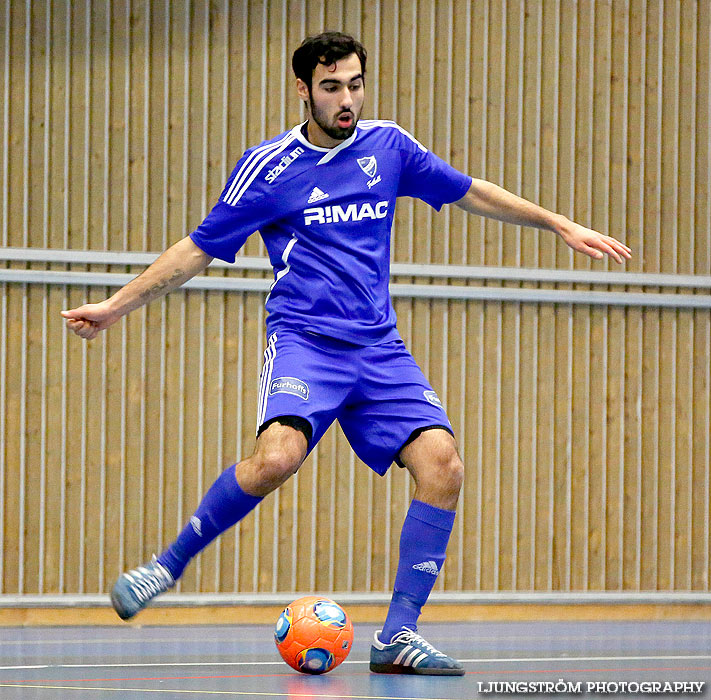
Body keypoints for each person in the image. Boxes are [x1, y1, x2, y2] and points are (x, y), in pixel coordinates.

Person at [61, 31, 631, 675]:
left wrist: (559, 223)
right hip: (305, 343)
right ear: (304, 89)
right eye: (332, 87)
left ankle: (396, 638)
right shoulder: (268, 167)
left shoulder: (389, 146)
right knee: (276, 459)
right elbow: (195, 249)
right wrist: (115, 306)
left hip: (379, 350)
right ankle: (165, 566)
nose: (347, 99)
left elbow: (470, 189)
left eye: (355, 84)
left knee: (443, 467)